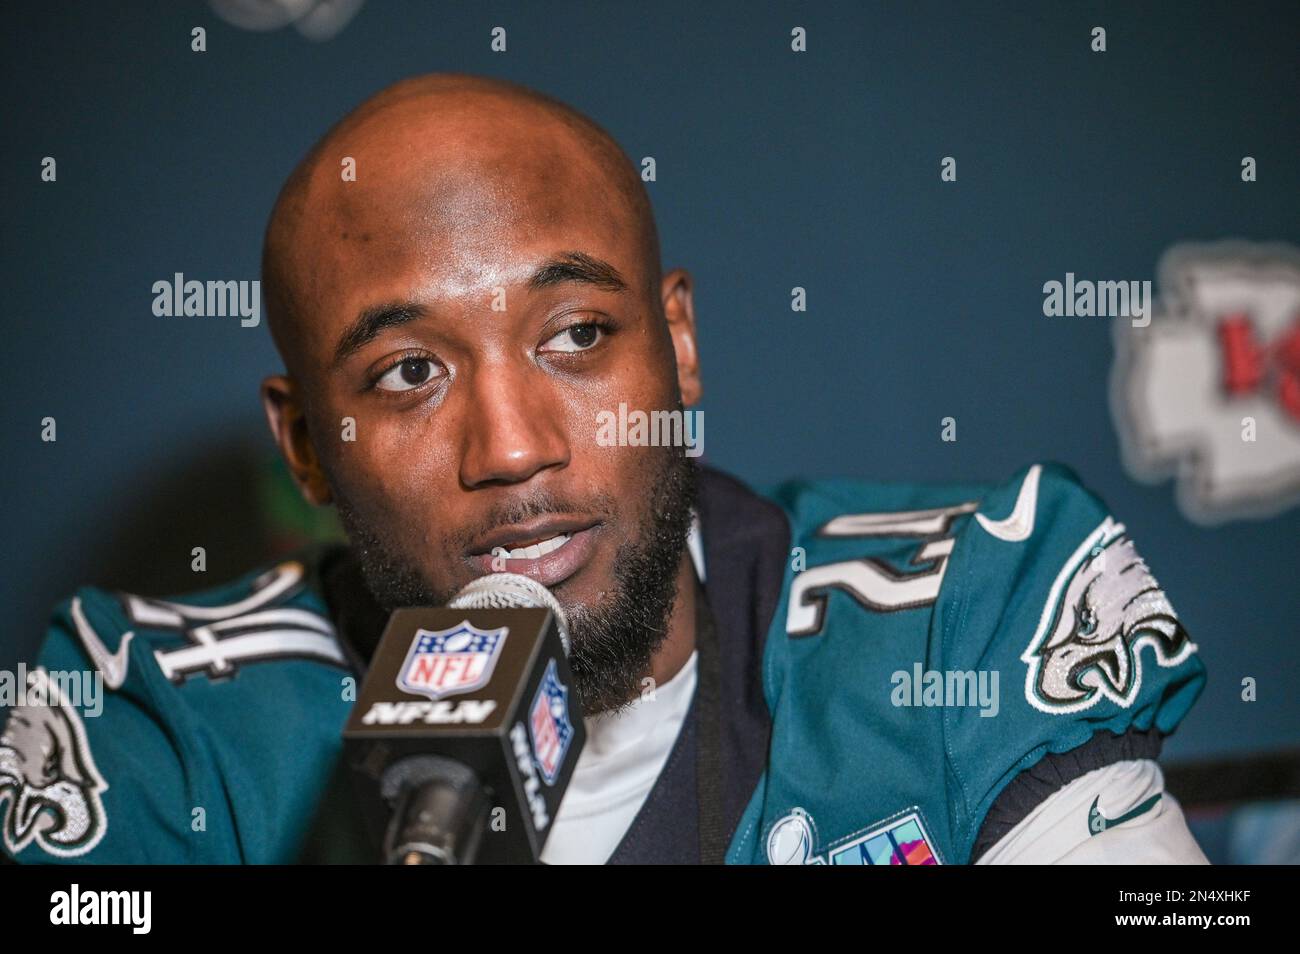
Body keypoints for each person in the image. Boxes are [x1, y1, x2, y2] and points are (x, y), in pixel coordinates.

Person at [0, 74, 1207, 865]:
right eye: (410, 372)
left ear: (677, 346)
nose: (514, 445)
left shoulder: (962, 612)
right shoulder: (152, 718)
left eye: (576, 335)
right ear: (308, 445)